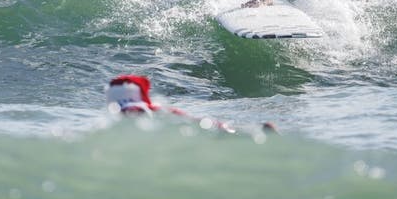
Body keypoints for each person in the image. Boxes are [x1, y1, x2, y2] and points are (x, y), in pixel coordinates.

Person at [105, 75, 278, 133]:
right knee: (219, 132)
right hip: (168, 119)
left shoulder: (131, 109)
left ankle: (254, 130)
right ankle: (256, 129)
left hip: (161, 121)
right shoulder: (155, 108)